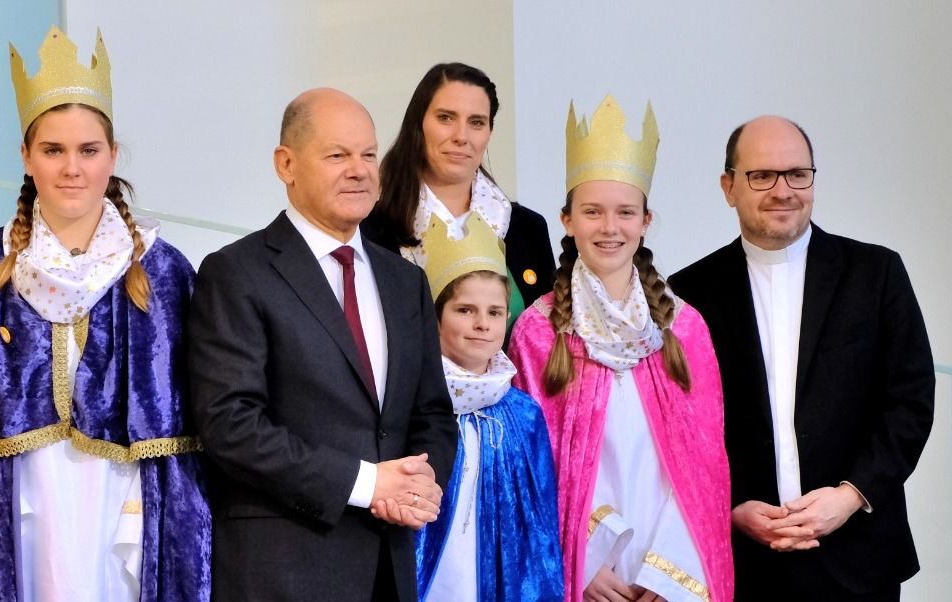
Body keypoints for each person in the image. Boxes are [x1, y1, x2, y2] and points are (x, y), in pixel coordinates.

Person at [0, 27, 209, 601]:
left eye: (88, 151)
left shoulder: (162, 275)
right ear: (25, 156)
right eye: (53, 150)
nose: (72, 168)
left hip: (124, 497)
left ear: (112, 156)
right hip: (21, 500)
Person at [185, 87, 458, 601]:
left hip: (389, 569)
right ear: (286, 164)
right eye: (337, 155)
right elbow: (230, 424)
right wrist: (366, 484)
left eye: (369, 154)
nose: (359, 170)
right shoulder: (236, 273)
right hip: (282, 569)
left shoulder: (405, 281)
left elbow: (433, 414)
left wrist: (420, 487)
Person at [669, 116, 935, 601]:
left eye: (798, 174)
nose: (783, 190)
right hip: (742, 562)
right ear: (728, 187)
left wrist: (851, 495)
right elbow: (681, 425)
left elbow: (910, 402)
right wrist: (727, 507)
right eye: (762, 176)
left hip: (857, 555)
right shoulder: (690, 292)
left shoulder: (875, 274)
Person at [509, 97, 733, 602]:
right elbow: (530, 465)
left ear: (646, 220)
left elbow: (706, 467)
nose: (610, 228)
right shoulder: (538, 331)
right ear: (567, 220)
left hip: (668, 567)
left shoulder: (685, 328)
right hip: (584, 572)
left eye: (625, 213)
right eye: (592, 212)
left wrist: (668, 570)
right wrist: (582, 561)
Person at [407, 224, 563, 601]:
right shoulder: (411, 401)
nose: (482, 324)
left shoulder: (523, 414)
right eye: (465, 310)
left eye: (495, 312)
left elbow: (540, 527)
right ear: (436, 317)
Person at [362, 62, 555, 327]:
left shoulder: (527, 228)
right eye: (445, 118)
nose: (461, 136)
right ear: (418, 124)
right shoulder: (370, 232)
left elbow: (545, 345)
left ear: (489, 133)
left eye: (476, 122)